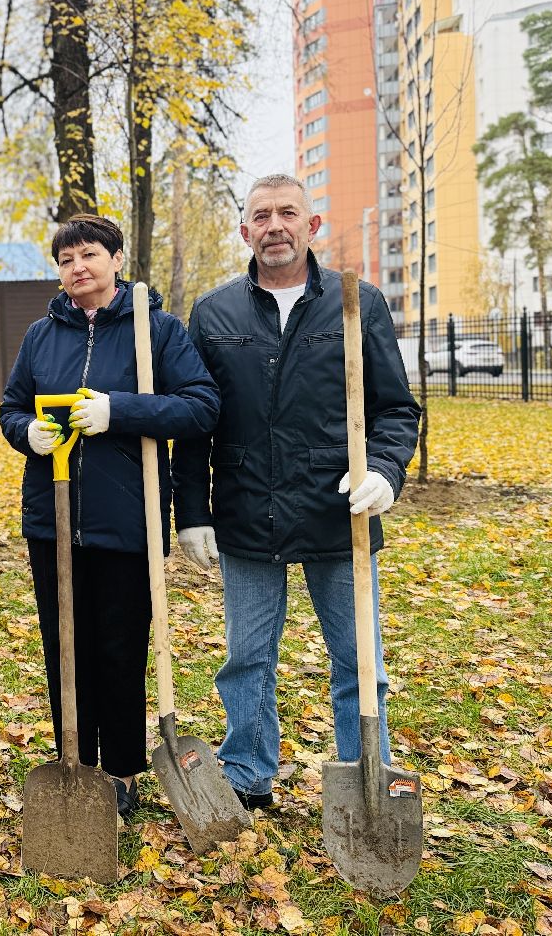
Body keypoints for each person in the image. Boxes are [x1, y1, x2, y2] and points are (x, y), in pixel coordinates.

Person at [172, 173, 420, 811]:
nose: (274, 225)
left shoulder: (355, 301)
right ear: (245, 231)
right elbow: (198, 419)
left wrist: (385, 474)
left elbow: (394, 408)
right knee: (247, 658)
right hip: (247, 510)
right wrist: (193, 514)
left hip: (339, 510)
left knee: (358, 660)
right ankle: (250, 770)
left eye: (288, 213)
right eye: (261, 215)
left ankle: (365, 774)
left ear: (312, 226)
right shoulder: (215, 311)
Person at [0, 215, 219, 818]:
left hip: (127, 518)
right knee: (64, 647)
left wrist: (119, 412)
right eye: (66, 259)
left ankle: (121, 769)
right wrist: (28, 434)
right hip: (53, 520)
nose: (78, 268)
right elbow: (13, 407)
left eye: (90, 254)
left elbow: (200, 407)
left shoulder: (157, 331)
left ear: (117, 258)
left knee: (120, 649)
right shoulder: (42, 335)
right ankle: (77, 761)